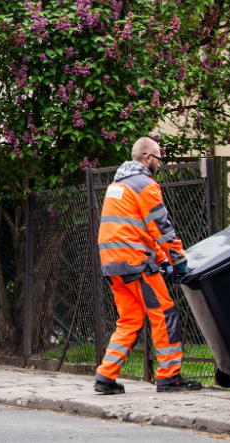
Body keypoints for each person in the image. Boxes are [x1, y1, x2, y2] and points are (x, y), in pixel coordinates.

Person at [94, 136, 202, 394]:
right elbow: (161, 228)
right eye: (159, 160)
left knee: (129, 320)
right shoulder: (145, 185)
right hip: (136, 262)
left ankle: (105, 377)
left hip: (113, 264)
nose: (160, 166)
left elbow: (136, 229)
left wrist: (162, 260)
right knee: (164, 314)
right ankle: (169, 377)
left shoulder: (116, 187)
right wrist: (178, 260)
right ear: (148, 158)